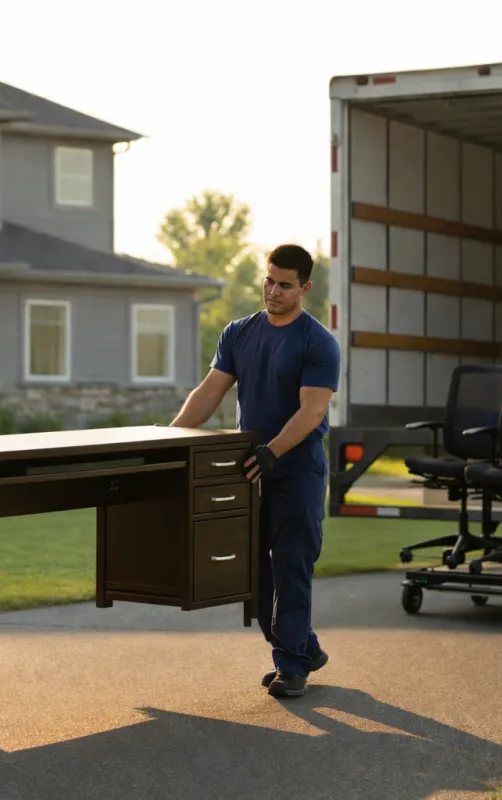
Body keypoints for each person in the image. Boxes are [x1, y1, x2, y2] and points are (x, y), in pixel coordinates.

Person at [169, 244, 341, 698]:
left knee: (291, 567)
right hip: (252, 468)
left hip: (297, 469)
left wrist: (273, 451)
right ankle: (302, 647)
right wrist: (169, 438)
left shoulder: (317, 342)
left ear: (305, 287)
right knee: (252, 573)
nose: (273, 291)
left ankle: (291, 666)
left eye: (285, 285)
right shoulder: (239, 333)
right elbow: (210, 393)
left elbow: (311, 411)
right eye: (269, 281)